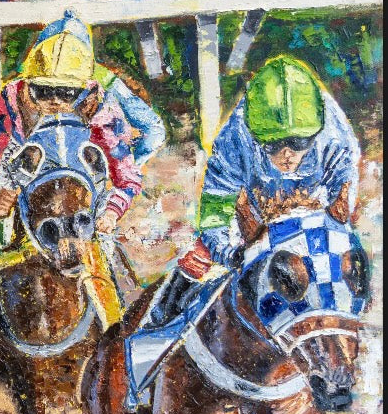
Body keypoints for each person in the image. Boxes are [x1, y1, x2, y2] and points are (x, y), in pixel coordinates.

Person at [0, 29, 143, 341]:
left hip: (86, 198)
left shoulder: (101, 107)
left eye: (66, 94)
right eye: (44, 91)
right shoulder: (10, 103)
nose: (55, 101)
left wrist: (111, 213)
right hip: (21, 188)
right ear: (28, 87)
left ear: (84, 91)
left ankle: (126, 332)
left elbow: (128, 176)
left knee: (108, 253)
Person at [137, 54, 360, 335]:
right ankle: (160, 323)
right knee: (197, 258)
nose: (287, 154)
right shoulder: (234, 138)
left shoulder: (337, 138)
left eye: (299, 142)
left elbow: (342, 207)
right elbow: (215, 212)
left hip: (312, 212)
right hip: (254, 216)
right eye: (273, 145)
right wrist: (233, 254)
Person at [33, 11, 167, 166]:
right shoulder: (103, 78)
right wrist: (129, 166)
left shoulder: (24, 82)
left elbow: (154, 130)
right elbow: (154, 130)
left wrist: (126, 167)